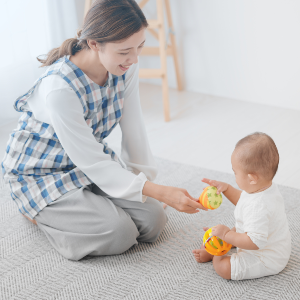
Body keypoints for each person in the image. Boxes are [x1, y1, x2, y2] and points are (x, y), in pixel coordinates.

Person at [2, 0, 206, 261]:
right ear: (95, 44)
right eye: (124, 52)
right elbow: (93, 161)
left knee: (153, 220)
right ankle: (38, 213)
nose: (133, 59)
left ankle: (89, 208)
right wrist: (158, 191)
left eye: (139, 47)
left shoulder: (125, 67)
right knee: (119, 233)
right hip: (42, 173)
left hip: (85, 163)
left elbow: (134, 130)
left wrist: (147, 185)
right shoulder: (59, 89)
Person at [192, 132, 291, 280]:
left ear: (251, 179)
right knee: (235, 231)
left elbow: (254, 242)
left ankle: (216, 253)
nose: (234, 176)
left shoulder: (259, 206)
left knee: (225, 269)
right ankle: (221, 244)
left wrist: (226, 235)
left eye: (235, 172)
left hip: (266, 257)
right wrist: (226, 189)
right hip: (264, 240)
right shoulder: (263, 188)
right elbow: (244, 202)